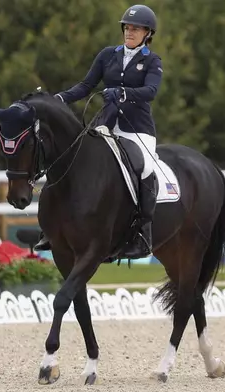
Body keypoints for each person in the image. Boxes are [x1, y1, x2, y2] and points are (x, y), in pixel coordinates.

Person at [34, 4, 163, 259]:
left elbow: (151, 92)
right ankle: (50, 227)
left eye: (136, 28)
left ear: (147, 33)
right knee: (71, 160)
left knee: (145, 167)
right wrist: (59, 98)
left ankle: (142, 233)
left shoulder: (151, 60)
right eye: (127, 27)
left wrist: (124, 92)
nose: (130, 31)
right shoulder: (107, 55)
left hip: (136, 129)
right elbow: (86, 85)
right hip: (105, 123)